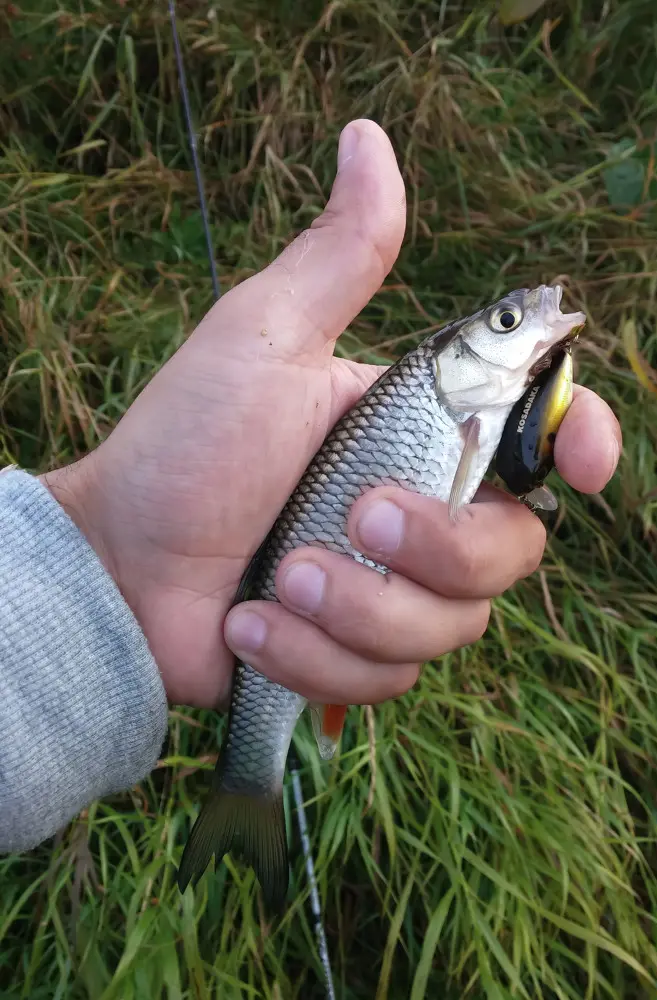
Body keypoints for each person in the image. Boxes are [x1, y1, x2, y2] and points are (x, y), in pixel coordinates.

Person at [0, 120, 621, 855]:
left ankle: (249, 781)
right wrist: (111, 559)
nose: (525, 323)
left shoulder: (462, 416)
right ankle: (248, 784)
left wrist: (105, 569)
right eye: (509, 321)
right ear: (455, 356)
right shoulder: (440, 409)